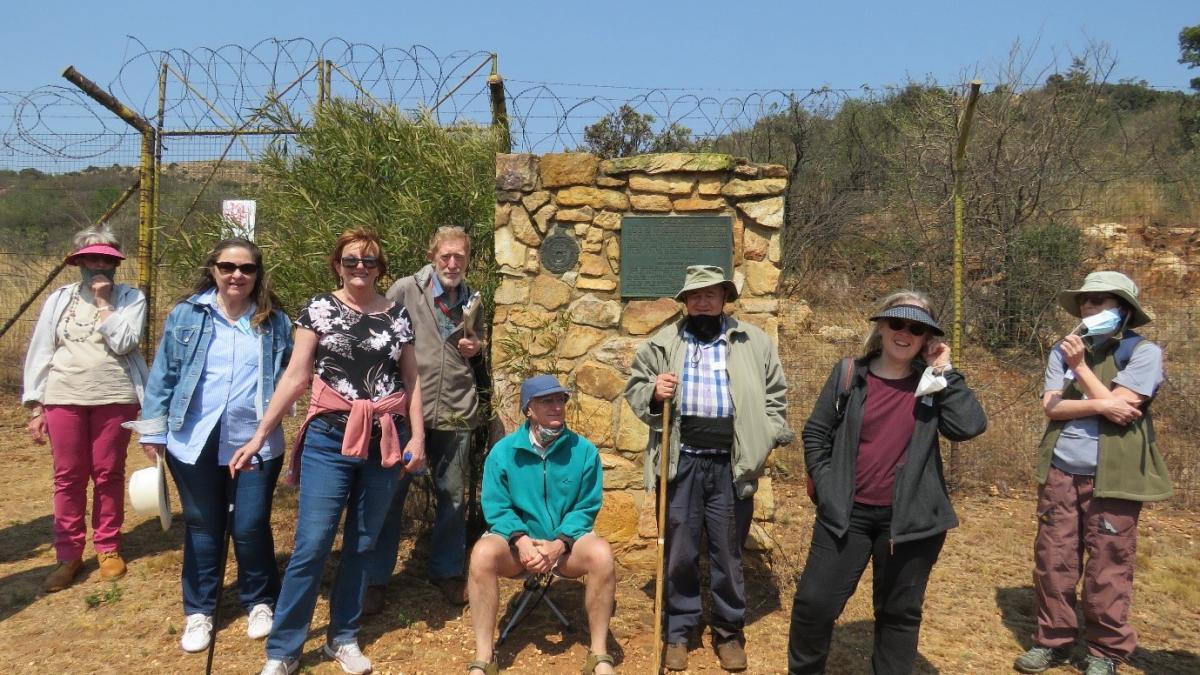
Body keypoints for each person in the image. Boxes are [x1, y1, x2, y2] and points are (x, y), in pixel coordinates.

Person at [230, 229, 426, 675]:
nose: (361, 267)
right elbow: (296, 376)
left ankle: (343, 637)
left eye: (370, 261)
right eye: (352, 260)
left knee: (362, 542)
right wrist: (261, 435)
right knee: (312, 543)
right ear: (337, 263)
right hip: (329, 438)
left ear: (381, 268)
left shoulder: (398, 316)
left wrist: (418, 437)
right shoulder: (317, 309)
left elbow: (413, 382)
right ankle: (283, 649)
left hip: (385, 439)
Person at [787, 291, 987, 674]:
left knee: (898, 613)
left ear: (927, 338)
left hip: (910, 522)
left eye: (917, 328)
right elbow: (815, 433)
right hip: (847, 515)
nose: (904, 333)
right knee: (815, 605)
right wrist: (829, 489)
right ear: (882, 326)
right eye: (897, 323)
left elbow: (969, 426)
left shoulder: (932, 385)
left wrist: (945, 370)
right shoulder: (849, 374)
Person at [624, 264, 791, 673]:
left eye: (711, 294)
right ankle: (679, 631)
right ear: (685, 302)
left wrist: (763, 439)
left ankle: (729, 633)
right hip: (682, 464)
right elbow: (635, 387)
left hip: (731, 468)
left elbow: (776, 398)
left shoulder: (754, 342)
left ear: (723, 299)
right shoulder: (663, 343)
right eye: (695, 296)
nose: (702, 301)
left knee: (728, 552)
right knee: (679, 552)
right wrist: (653, 393)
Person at [136, 238, 293, 653]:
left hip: (256, 441)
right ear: (213, 270)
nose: (236, 275)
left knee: (250, 524)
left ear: (258, 274)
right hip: (193, 438)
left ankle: (260, 600)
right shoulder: (188, 314)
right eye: (228, 267)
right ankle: (200, 610)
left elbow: (293, 375)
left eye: (246, 268)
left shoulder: (274, 321)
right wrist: (153, 430)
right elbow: (165, 373)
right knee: (204, 526)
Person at [1013, 272, 1169, 675]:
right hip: (1061, 472)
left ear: (1124, 311)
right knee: (1054, 560)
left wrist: (1080, 369)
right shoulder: (1059, 349)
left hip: (1115, 478)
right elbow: (1054, 407)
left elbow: (1127, 406)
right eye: (1085, 301)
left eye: (1099, 302)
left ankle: (1105, 652)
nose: (1088, 308)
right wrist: (1102, 403)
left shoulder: (1143, 353)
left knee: (1109, 565)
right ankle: (1053, 641)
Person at [365, 225, 485, 611]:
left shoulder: (472, 299)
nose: (452, 263)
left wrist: (476, 348)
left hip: (455, 407)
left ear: (468, 260)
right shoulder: (404, 290)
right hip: (406, 410)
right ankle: (375, 579)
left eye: (460, 257)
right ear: (432, 256)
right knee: (390, 494)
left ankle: (447, 570)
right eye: (446, 256)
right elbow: (380, 342)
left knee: (452, 496)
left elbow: (480, 351)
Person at [22, 225, 148, 592]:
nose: (98, 264)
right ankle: (68, 554)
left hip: (114, 395)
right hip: (63, 396)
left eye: (106, 258)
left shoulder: (131, 299)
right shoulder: (59, 299)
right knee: (69, 475)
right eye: (90, 258)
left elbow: (125, 343)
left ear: (116, 262)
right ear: (78, 261)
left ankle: (108, 547)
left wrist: (105, 303)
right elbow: (41, 351)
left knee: (108, 472)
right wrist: (36, 405)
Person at [465, 375, 616, 675]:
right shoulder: (503, 452)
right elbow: (496, 507)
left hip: (566, 546)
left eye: (560, 400)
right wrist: (521, 541)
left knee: (602, 554)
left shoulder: (584, 451)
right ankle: (485, 657)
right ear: (528, 409)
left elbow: (586, 507)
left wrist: (558, 544)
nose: (557, 406)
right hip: (515, 545)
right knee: (481, 554)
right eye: (547, 401)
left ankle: (599, 654)